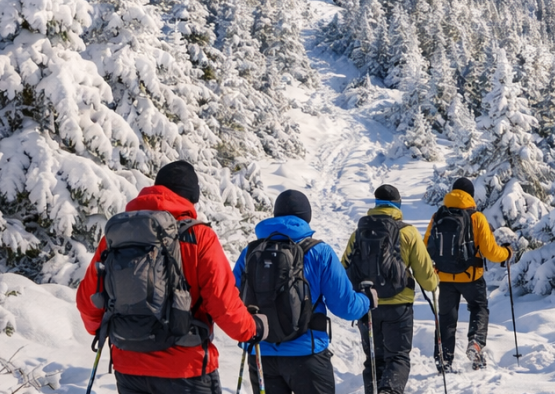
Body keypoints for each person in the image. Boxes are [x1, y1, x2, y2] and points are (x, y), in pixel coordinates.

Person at [76, 160, 265, 394]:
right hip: (186, 368)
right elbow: (222, 302)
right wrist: (251, 329)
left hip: (129, 368)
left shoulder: (117, 237)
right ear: (191, 197)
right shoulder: (199, 235)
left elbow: (87, 300)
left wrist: (107, 329)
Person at [233, 189, 372, 394]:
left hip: (261, 354)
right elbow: (346, 307)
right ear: (306, 217)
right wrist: (366, 300)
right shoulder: (319, 252)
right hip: (307, 354)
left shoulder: (250, 252)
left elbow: (231, 298)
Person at [341, 184, 439, 394]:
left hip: (367, 306)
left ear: (376, 204)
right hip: (398, 307)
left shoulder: (359, 233)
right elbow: (427, 279)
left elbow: (344, 269)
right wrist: (434, 281)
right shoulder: (408, 232)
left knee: (374, 359)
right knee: (397, 357)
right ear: (397, 205)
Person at [424, 177, 512, 372]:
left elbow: (426, 247)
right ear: (470, 195)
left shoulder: (438, 216)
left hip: (444, 277)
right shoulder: (476, 217)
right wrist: (506, 253)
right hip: (471, 277)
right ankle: (476, 343)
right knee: (479, 308)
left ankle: (443, 361)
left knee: (446, 319)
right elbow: (490, 252)